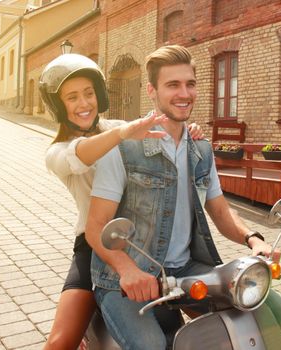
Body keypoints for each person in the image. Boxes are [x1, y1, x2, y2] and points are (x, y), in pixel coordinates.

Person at [85, 45, 281, 350]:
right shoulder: (126, 147)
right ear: (152, 91)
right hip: (126, 277)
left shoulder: (200, 149)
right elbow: (96, 226)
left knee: (273, 310)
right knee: (153, 345)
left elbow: (220, 211)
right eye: (173, 85)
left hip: (186, 268)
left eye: (190, 84)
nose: (185, 93)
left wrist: (253, 239)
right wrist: (128, 269)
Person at [39, 53, 204, 349]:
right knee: (60, 342)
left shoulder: (118, 126)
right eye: (72, 97)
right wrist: (122, 134)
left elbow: (163, 129)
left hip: (143, 240)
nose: (84, 103)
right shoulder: (58, 152)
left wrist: (188, 133)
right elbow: (82, 153)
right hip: (93, 243)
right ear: (58, 106)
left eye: (89, 93)